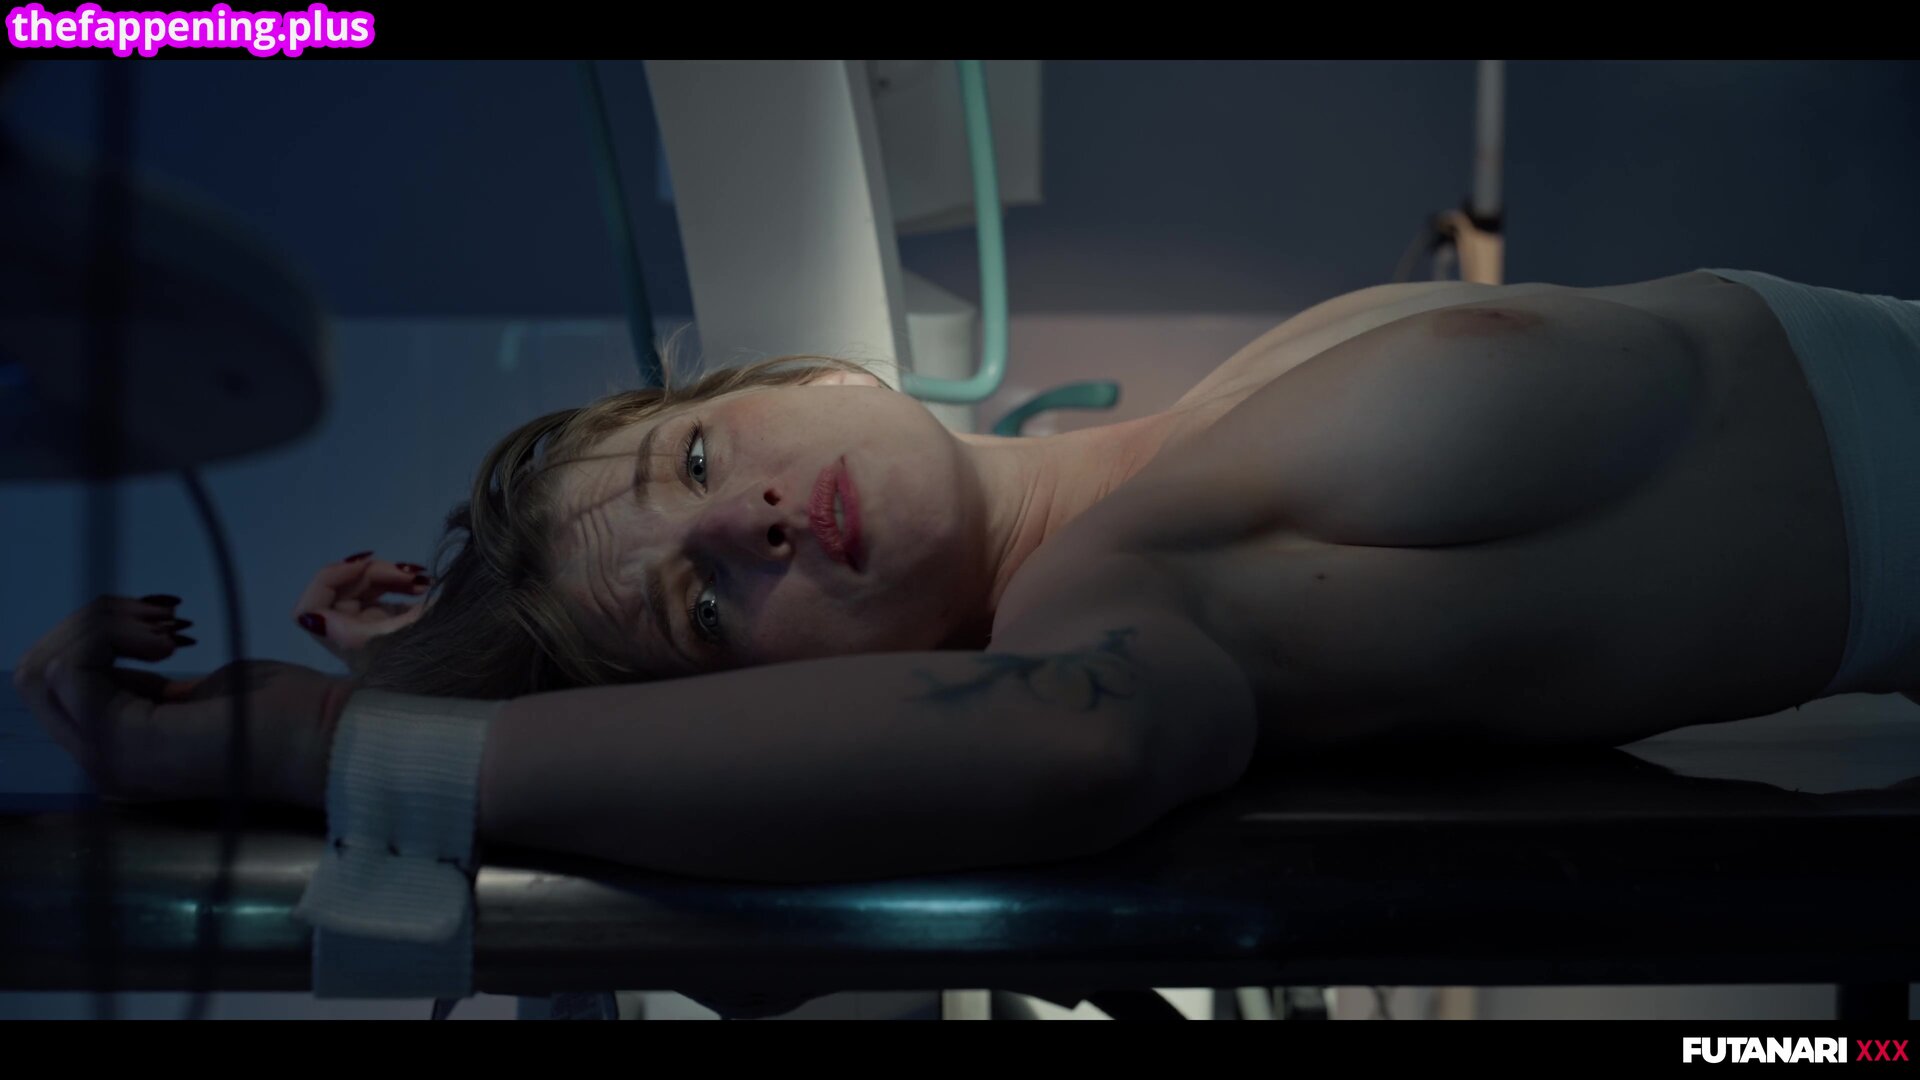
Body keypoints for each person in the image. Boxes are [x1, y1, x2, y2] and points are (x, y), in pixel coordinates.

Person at [17, 268, 1920, 882]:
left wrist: (412, 655)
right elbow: (1067, 745)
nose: (750, 524)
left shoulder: (1176, 443)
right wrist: (339, 744)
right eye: (702, 607)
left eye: (697, 463)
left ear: (783, 384)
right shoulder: (1119, 597)